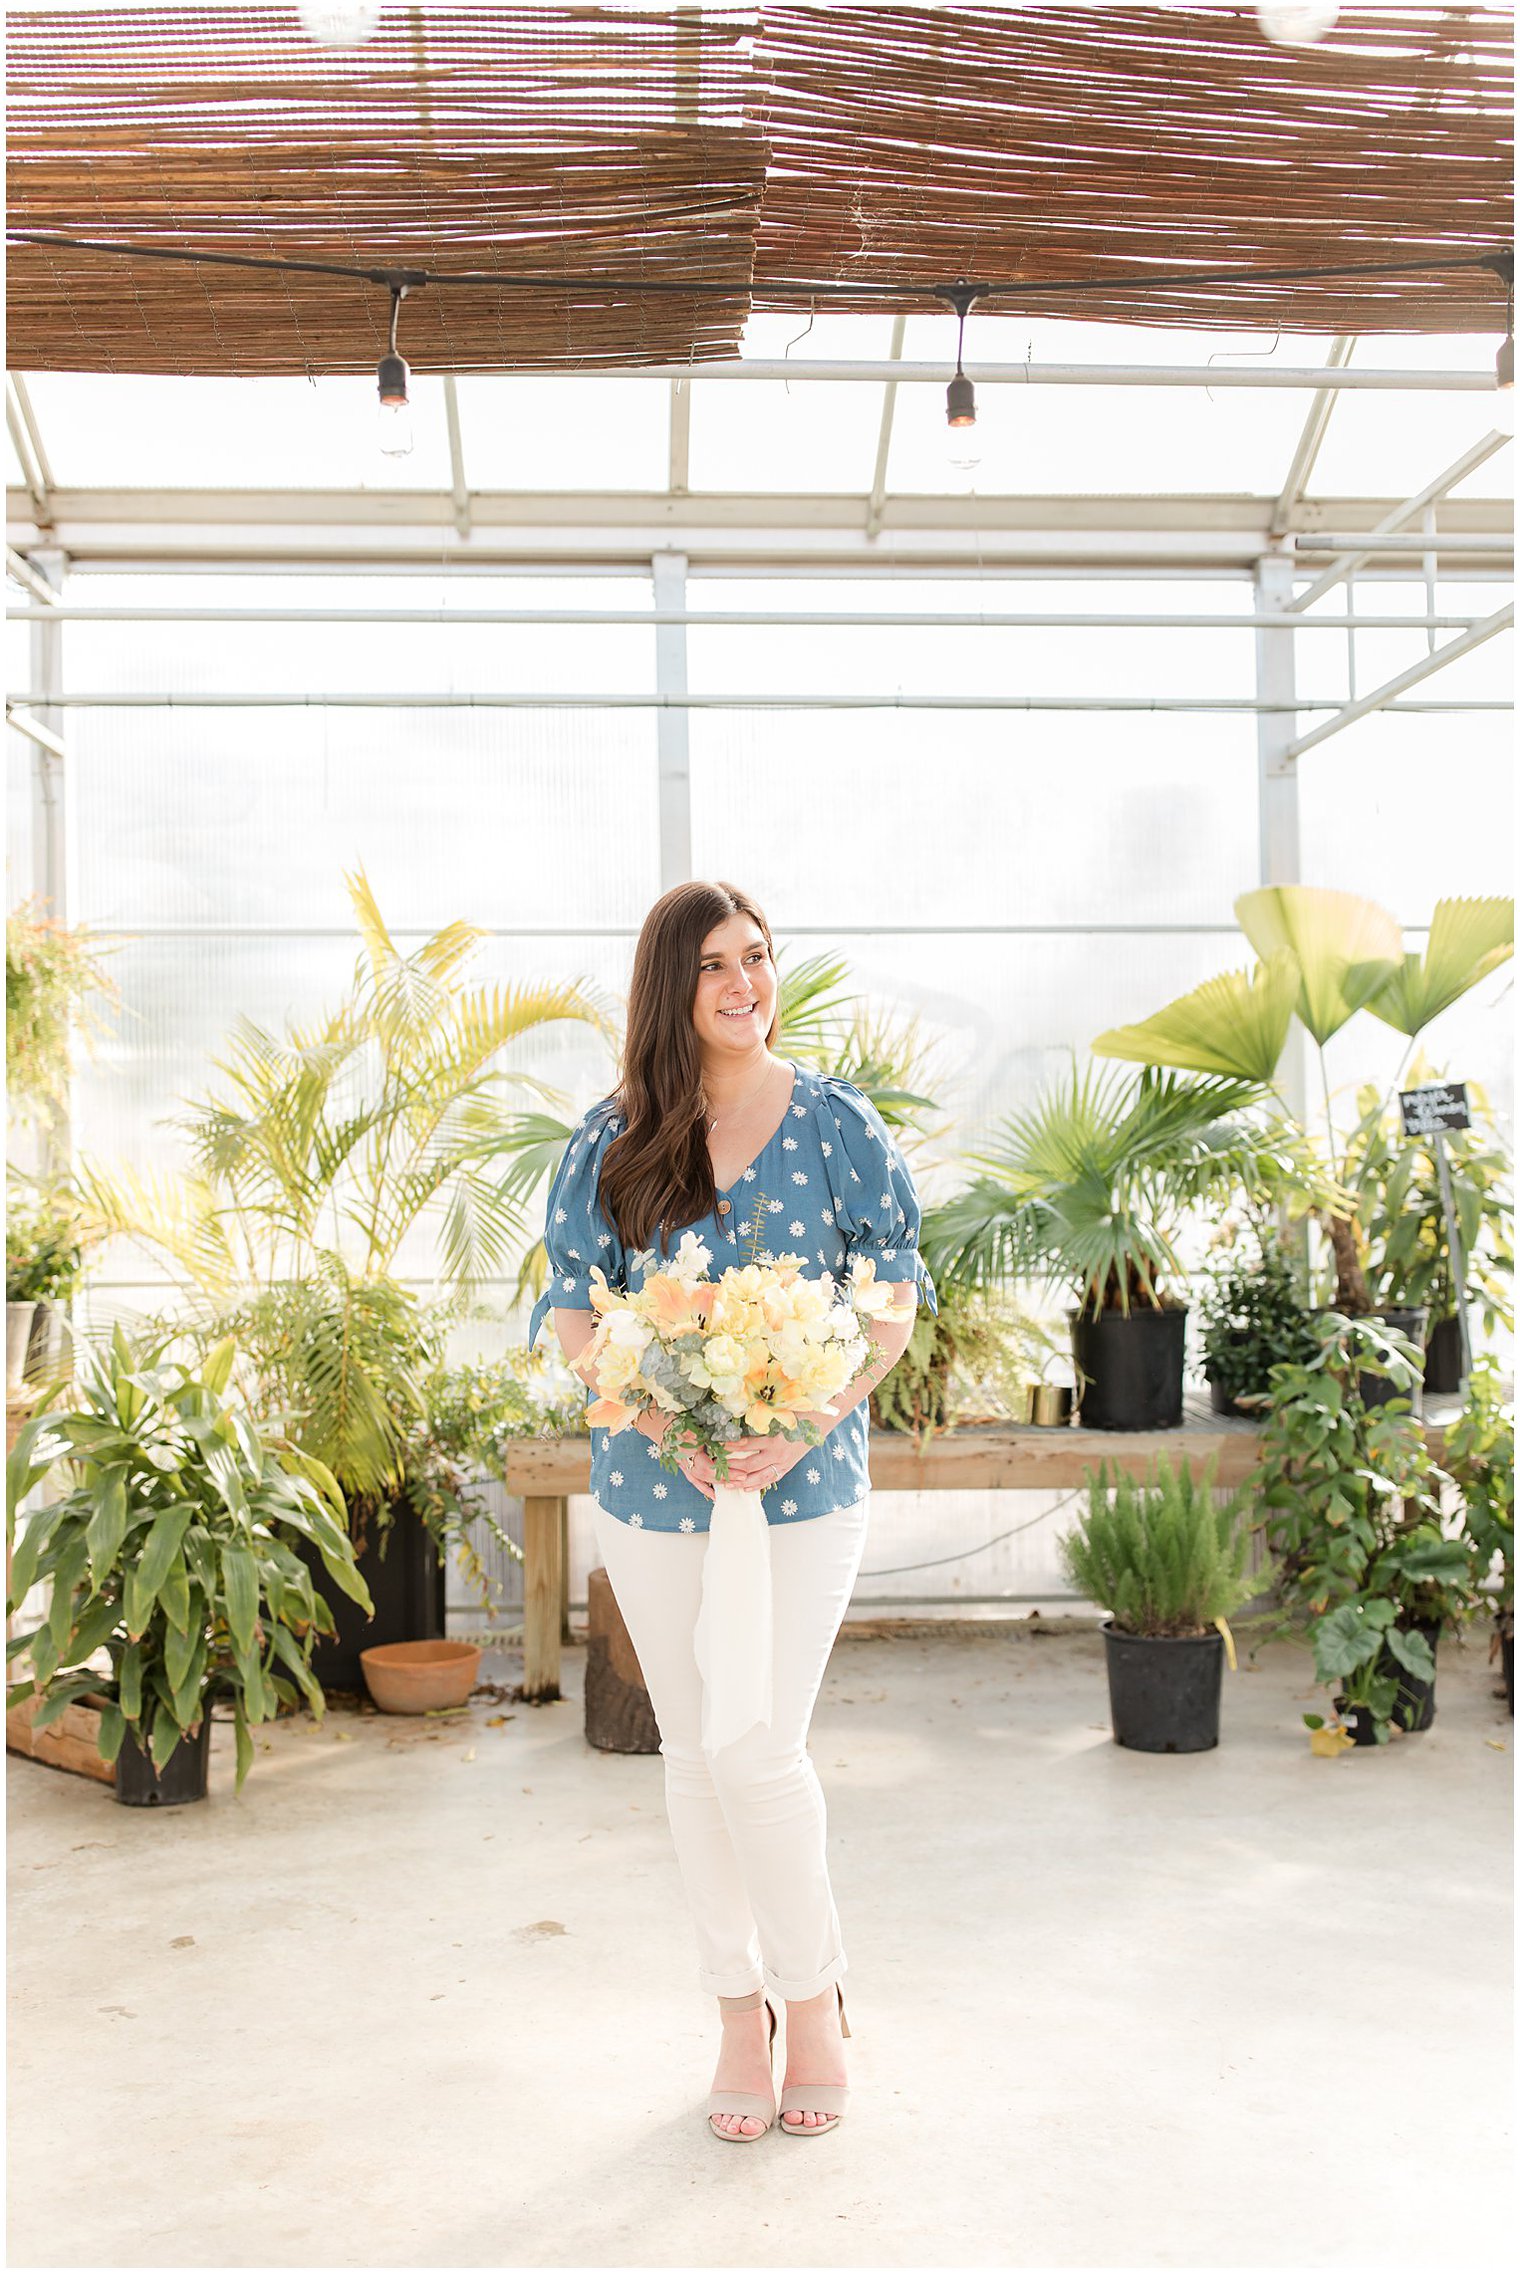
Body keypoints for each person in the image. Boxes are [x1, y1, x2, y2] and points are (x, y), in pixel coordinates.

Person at [528, 879, 937, 2143]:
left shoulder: (835, 1124)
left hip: (803, 1490)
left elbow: (892, 1297)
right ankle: (732, 2012)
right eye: (712, 963)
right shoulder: (609, 1138)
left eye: (756, 957)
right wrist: (667, 1427)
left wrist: (805, 1416)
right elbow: (574, 1316)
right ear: (671, 986)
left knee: (758, 1748)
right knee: (695, 1754)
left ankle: (811, 2001)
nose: (743, 982)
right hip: (657, 1496)